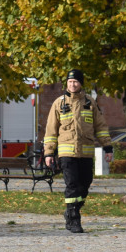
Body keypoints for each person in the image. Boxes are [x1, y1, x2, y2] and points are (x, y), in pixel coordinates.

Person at [43, 69, 112, 233]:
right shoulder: (59, 103)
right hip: (67, 154)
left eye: (75, 82)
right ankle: (74, 220)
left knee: (85, 185)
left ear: (81, 83)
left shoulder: (90, 103)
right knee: (72, 186)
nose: (72, 84)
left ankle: (71, 209)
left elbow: (100, 127)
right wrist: (49, 153)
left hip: (86, 153)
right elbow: (51, 130)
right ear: (66, 83)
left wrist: (107, 147)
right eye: (69, 82)